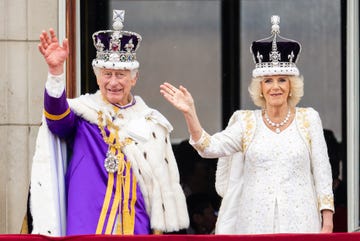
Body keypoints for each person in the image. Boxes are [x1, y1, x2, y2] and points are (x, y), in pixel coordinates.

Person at [160, 15, 334, 234]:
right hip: (254, 223)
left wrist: (327, 221)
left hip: (301, 222)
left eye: (282, 80)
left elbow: (322, 173)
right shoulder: (246, 122)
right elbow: (208, 148)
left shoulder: (309, 119)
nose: (275, 87)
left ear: (292, 86)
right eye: (268, 81)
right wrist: (190, 113)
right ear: (260, 88)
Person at [27, 9, 189, 236]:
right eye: (107, 74)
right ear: (97, 76)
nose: (113, 82)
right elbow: (57, 121)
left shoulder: (152, 123)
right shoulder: (84, 113)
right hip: (87, 223)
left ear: (134, 78)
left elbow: (160, 189)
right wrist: (55, 74)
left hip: (136, 224)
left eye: (121, 74)